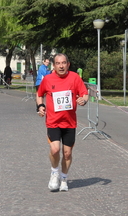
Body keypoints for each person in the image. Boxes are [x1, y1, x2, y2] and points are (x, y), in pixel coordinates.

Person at [36, 53, 89, 192]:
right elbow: (39, 94)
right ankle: (54, 172)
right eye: (58, 63)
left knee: (67, 153)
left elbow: (85, 93)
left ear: (68, 64)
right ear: (54, 65)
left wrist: (83, 100)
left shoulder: (74, 77)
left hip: (70, 122)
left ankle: (64, 178)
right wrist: (40, 106)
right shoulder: (48, 79)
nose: (61, 66)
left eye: (63, 63)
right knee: (55, 149)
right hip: (53, 121)